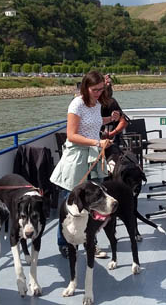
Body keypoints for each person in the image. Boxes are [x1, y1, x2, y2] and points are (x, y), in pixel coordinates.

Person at [50, 71, 121, 258]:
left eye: (101, 89)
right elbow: (71, 135)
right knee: (70, 203)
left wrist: (110, 120)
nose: (98, 92)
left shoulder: (97, 104)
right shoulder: (76, 104)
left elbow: (93, 124)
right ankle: (64, 242)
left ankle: (91, 241)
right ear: (86, 87)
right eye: (95, 89)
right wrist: (98, 143)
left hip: (94, 156)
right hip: (78, 157)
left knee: (94, 204)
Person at [100, 74, 128, 145]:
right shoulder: (94, 103)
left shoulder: (111, 102)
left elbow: (123, 122)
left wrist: (111, 134)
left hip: (110, 140)